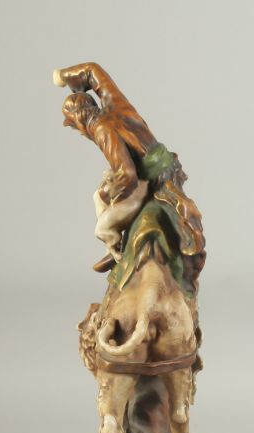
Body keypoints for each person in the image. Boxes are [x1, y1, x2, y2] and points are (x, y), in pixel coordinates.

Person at [54, 62, 206, 288]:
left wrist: (113, 190)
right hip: (170, 167)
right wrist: (65, 76)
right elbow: (93, 71)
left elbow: (127, 174)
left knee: (102, 223)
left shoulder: (100, 129)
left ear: (78, 121)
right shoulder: (114, 105)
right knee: (99, 196)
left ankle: (114, 245)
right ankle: (114, 244)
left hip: (153, 181)